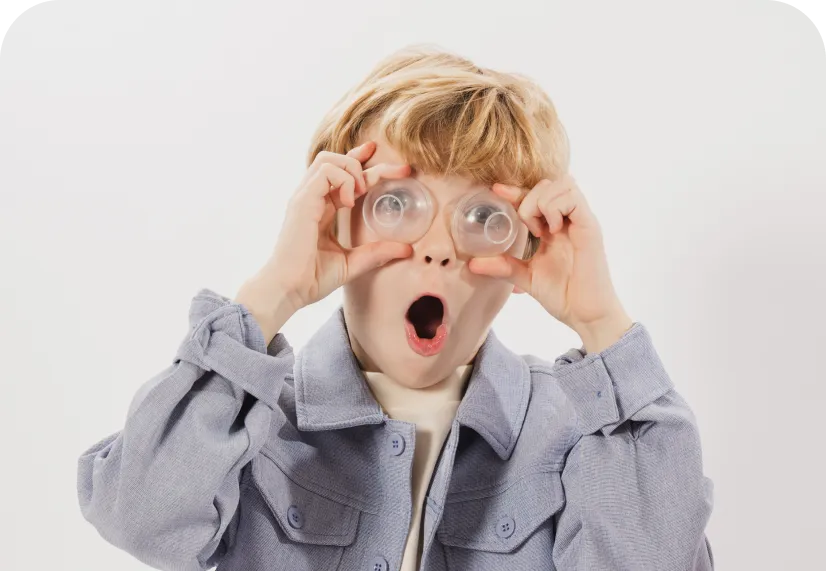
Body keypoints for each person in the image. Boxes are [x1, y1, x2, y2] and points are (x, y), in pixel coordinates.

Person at [76, 45, 714, 571]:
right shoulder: (249, 423)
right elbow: (140, 518)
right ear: (335, 221)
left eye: (483, 218)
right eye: (396, 205)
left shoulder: (579, 434)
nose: (436, 250)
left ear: (525, 248)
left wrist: (601, 323)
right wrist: (276, 289)